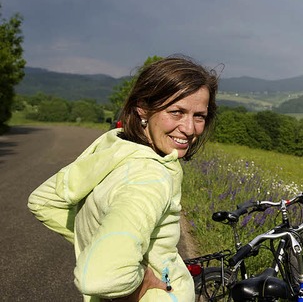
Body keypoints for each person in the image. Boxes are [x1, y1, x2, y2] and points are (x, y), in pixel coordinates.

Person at [28, 55, 219, 301]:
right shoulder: (150, 177)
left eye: (199, 116)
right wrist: (142, 280)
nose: (190, 128)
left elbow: (43, 200)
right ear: (143, 109)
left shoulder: (115, 147)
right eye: (176, 112)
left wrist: (100, 243)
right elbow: (99, 278)